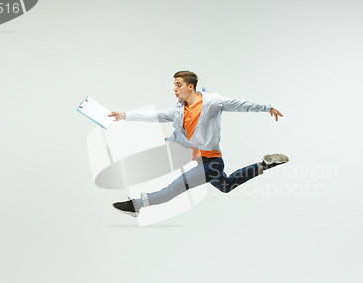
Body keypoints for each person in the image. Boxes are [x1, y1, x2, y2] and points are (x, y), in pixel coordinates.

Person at [108, 71, 289, 217]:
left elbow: (240, 104)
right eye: (174, 85)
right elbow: (155, 115)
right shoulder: (179, 111)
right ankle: (265, 164)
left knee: (173, 188)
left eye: (178, 85)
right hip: (205, 163)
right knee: (226, 186)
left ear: (190, 86)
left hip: (212, 164)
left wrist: (267, 108)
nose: (175, 89)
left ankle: (136, 205)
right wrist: (125, 115)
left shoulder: (212, 102)